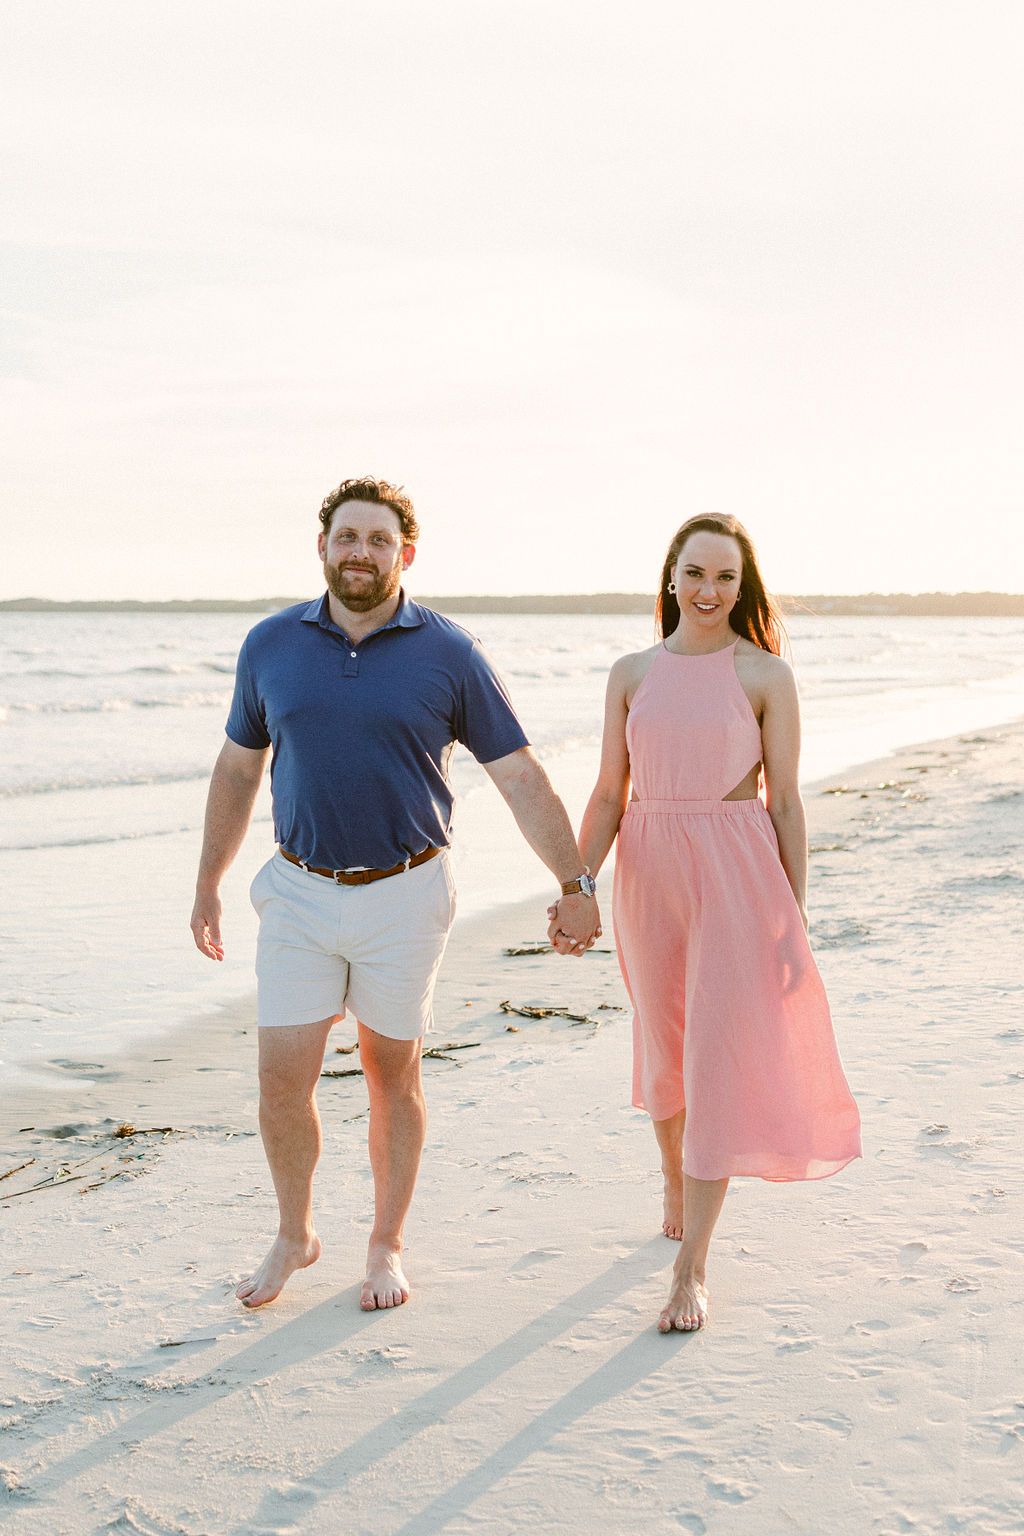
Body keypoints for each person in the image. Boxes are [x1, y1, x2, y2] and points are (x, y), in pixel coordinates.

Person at [190, 477, 600, 1312]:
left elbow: (520, 776)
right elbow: (238, 769)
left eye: (380, 540)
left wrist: (576, 882)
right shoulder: (271, 644)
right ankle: (295, 1233)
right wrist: (208, 882)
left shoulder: (450, 653)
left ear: (405, 554)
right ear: (323, 546)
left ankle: (384, 1245)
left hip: (406, 893)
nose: (362, 553)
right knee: (280, 1078)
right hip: (299, 893)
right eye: (348, 537)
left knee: (392, 1074)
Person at [557, 514, 861, 1333]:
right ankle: (673, 1175)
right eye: (695, 572)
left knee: (715, 1058)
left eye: (726, 578)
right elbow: (607, 796)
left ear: (742, 586)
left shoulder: (764, 676)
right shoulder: (631, 673)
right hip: (650, 870)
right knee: (664, 1044)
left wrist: (791, 921)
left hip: (736, 871)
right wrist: (578, 884)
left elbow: (787, 803)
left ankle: (693, 1266)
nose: (708, 591)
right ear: (670, 576)